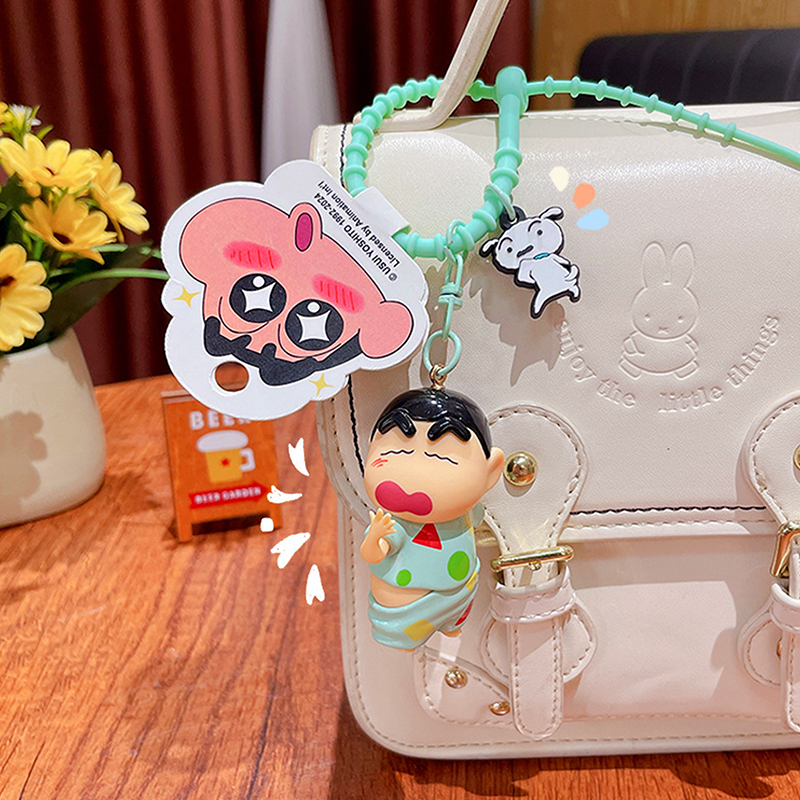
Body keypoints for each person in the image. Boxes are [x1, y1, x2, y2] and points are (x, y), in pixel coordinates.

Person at [361, 388, 504, 650]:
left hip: (457, 594)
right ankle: (409, 634)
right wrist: (375, 536)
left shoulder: (466, 512)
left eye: (440, 457)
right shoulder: (392, 524)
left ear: (491, 471)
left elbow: (476, 519)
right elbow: (374, 554)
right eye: (395, 453)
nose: (413, 475)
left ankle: (451, 623)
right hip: (403, 611)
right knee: (405, 639)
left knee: (454, 622)